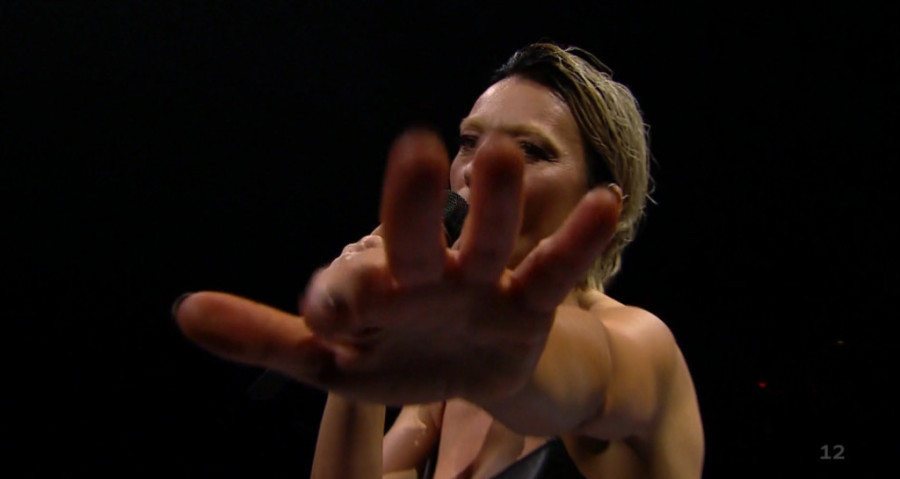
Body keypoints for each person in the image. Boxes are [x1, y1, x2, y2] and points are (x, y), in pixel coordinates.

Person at [173, 42, 704, 478]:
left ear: (606, 205)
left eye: (531, 150)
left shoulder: (642, 345)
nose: (477, 169)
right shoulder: (444, 396)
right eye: (469, 142)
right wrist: (360, 342)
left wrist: (520, 364)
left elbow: (590, 377)